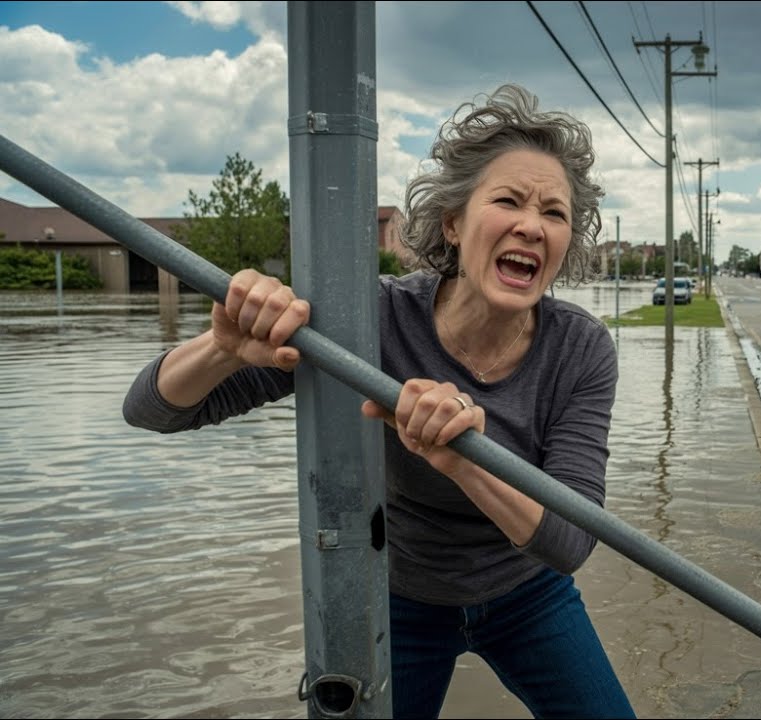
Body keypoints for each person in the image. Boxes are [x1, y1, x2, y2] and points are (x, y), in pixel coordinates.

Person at [122, 84, 636, 719]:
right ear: (454, 222)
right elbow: (151, 410)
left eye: (554, 213)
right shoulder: (372, 321)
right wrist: (223, 347)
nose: (532, 225)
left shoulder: (582, 349)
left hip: (527, 594)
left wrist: (461, 458)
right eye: (508, 201)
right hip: (401, 598)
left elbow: (571, 542)